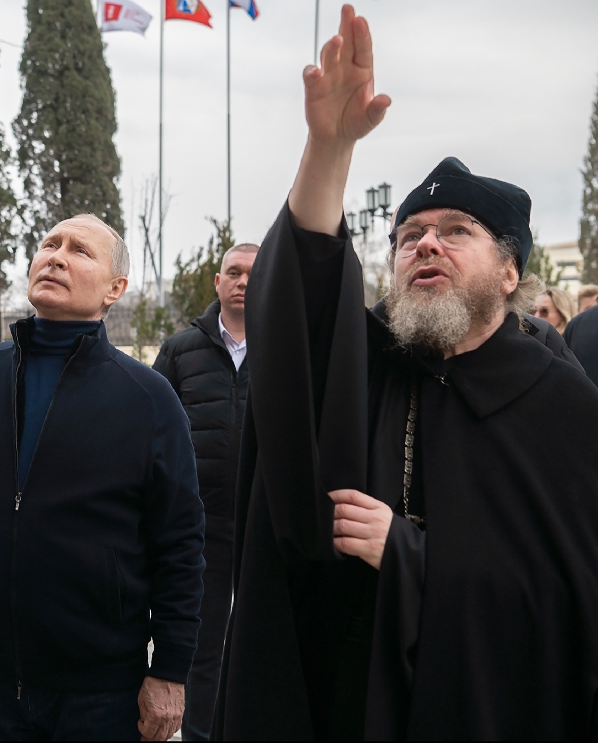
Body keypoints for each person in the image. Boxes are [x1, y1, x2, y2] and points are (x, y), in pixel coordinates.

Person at [216, 6, 598, 740]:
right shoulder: (372, 370)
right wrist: (329, 149)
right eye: (411, 236)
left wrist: (410, 557)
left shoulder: (561, 405)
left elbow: (568, 612)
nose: (426, 245)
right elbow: (305, 299)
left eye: (457, 232)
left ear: (511, 271)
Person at [0, 214, 205, 742]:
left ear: (115, 289)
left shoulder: (148, 399)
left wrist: (171, 668)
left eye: (79, 250)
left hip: (100, 690)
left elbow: (180, 544)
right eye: (49, 244)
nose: (56, 256)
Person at [152, 242, 257, 741]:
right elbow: (152, 428)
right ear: (218, 281)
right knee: (203, 643)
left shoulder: (287, 346)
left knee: (259, 642)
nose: (243, 282)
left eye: (253, 274)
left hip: (262, 523)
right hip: (201, 525)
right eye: (233, 272)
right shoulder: (180, 350)